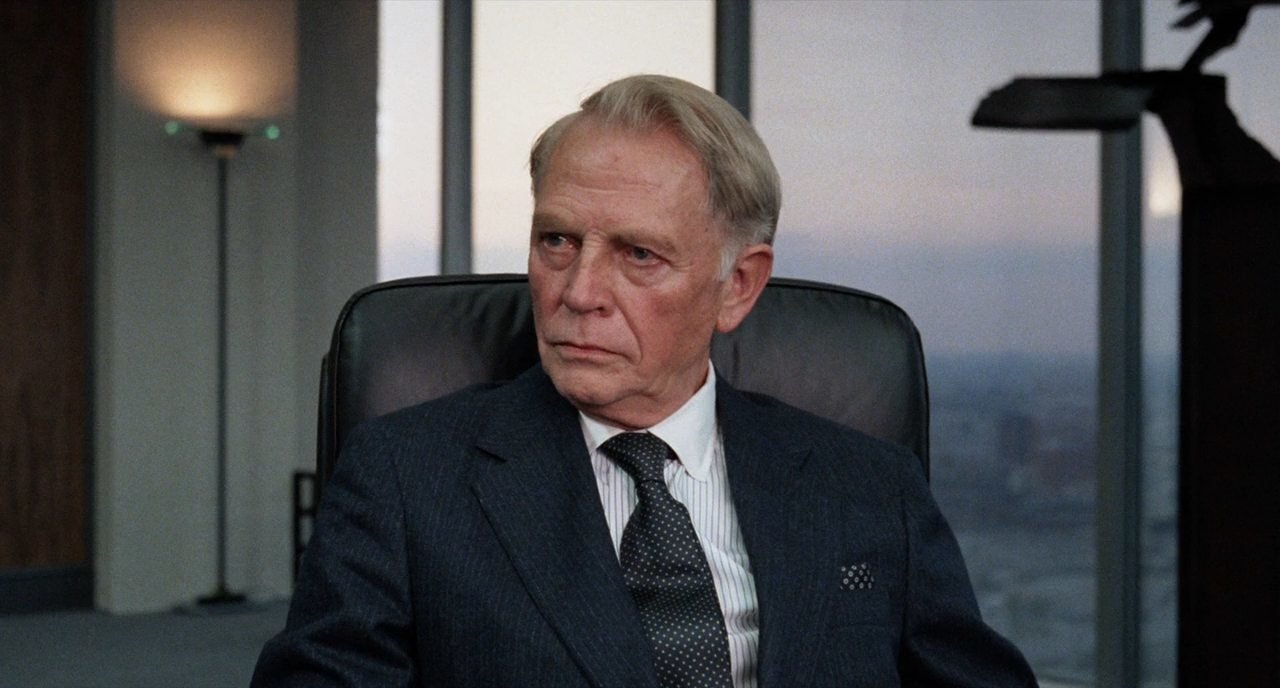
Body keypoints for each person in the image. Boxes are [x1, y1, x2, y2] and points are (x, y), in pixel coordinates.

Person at [253, 74, 1037, 687]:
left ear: (737, 286)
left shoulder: (869, 486)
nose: (579, 292)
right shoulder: (405, 476)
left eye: (638, 255)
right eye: (557, 241)